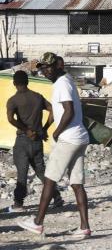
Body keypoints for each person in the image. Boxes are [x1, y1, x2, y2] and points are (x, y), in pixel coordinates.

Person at [18, 53, 92, 238]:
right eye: (43, 68)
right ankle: (84, 227)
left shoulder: (61, 83)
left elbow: (69, 110)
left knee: (50, 179)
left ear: (59, 65)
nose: (46, 71)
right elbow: (62, 110)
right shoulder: (66, 81)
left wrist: (57, 132)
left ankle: (37, 223)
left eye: (49, 67)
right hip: (79, 137)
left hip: (68, 139)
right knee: (76, 183)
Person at [6, 70, 61, 212]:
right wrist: (44, 129)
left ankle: (18, 204)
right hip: (37, 140)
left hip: (23, 141)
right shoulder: (37, 97)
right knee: (41, 170)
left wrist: (25, 129)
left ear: (14, 84)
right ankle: (56, 197)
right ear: (27, 82)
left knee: (22, 173)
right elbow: (53, 110)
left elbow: (11, 119)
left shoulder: (13, 100)